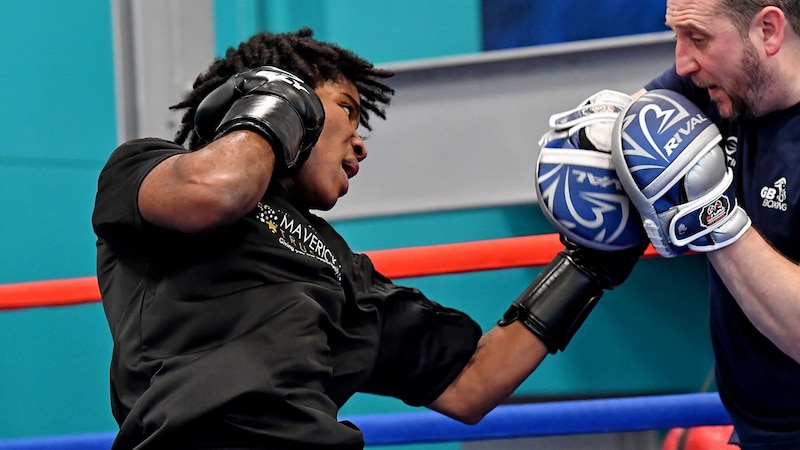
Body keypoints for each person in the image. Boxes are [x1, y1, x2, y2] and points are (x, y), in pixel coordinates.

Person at [92, 28, 643, 449]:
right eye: (348, 112)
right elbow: (218, 190)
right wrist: (277, 105)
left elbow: (474, 382)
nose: (360, 145)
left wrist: (592, 258)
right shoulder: (150, 171)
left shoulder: (341, 268)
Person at [610, 0, 800, 448]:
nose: (681, 60)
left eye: (698, 38)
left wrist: (713, 215)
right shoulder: (712, 85)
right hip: (757, 430)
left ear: (769, 31)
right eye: (675, 35)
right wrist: (592, 143)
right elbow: (623, 133)